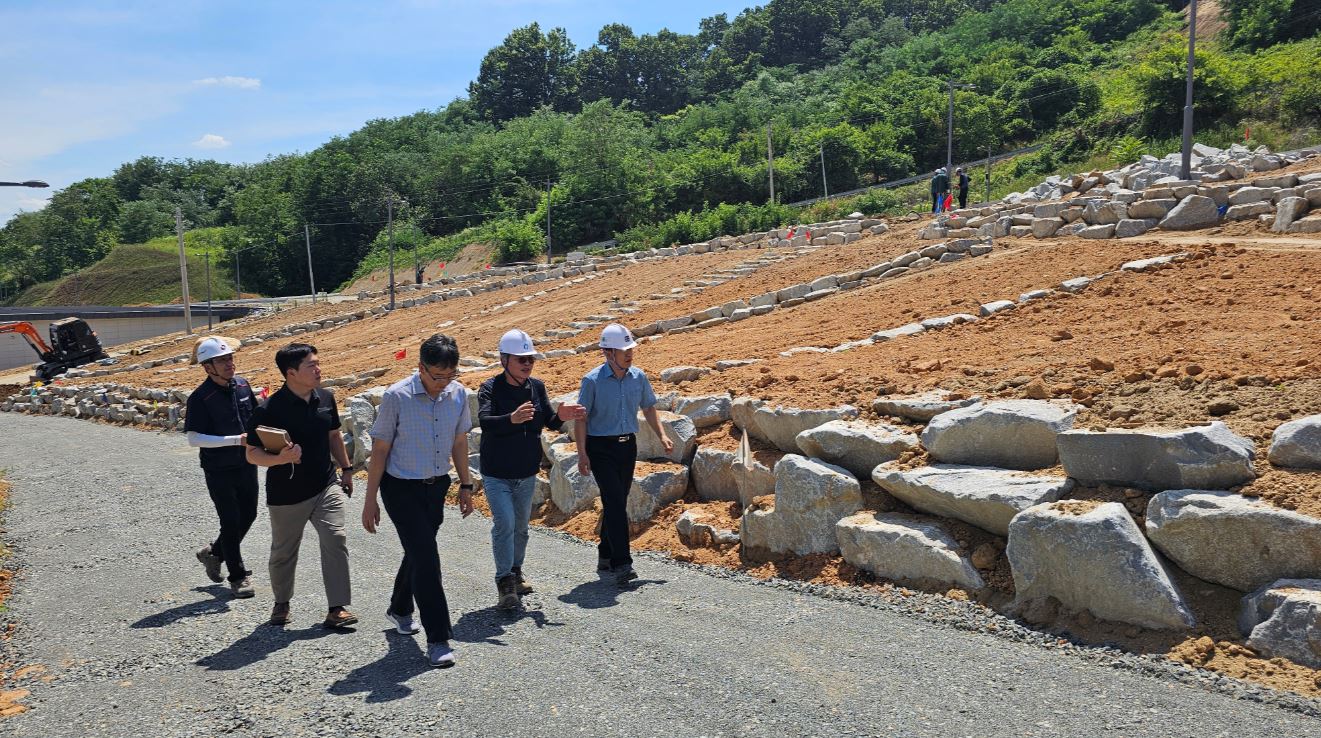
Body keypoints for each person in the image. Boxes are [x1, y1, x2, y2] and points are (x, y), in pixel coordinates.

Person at [361, 334, 475, 668]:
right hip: (400, 489)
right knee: (427, 558)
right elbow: (380, 450)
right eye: (437, 376)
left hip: (436, 487)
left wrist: (466, 484)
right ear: (420, 367)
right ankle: (438, 639)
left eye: (450, 375)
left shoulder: (457, 394)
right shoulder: (397, 396)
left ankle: (399, 608)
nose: (443, 383)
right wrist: (370, 500)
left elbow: (459, 442)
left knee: (418, 551)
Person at [245, 343, 357, 629]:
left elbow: (334, 435)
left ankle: (337, 608)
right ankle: (281, 602)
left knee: (335, 538)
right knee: (283, 552)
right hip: (287, 494)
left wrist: (346, 470)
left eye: (318, 363)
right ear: (291, 373)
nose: (319, 369)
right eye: (311, 365)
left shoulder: (326, 397)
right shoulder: (268, 409)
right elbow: (252, 454)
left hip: (325, 485)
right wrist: (280, 459)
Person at [477, 329, 585, 609]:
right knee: (505, 524)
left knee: (522, 528)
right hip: (497, 473)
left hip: (526, 472)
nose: (527, 364)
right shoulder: (489, 388)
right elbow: (485, 422)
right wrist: (511, 419)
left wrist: (561, 416)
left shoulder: (537, 387)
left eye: (530, 359)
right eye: (521, 359)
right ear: (504, 360)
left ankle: (515, 572)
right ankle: (504, 582)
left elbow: (549, 421)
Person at [573, 323, 672, 587]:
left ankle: (605, 553)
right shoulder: (591, 381)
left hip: (627, 447)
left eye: (630, 349)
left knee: (616, 500)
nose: (629, 354)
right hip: (600, 448)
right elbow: (581, 420)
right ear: (608, 352)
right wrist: (582, 454)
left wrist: (662, 435)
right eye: (623, 350)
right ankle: (622, 564)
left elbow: (649, 408)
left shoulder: (638, 377)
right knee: (616, 502)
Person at [185, 336, 258, 599]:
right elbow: (194, 438)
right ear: (208, 367)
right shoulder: (200, 398)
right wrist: (236, 440)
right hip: (218, 469)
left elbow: (256, 417)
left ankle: (214, 553)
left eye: (230, 358)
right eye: (222, 360)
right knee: (230, 520)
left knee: (249, 514)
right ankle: (238, 576)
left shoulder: (243, 385)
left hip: (247, 463)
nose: (229, 364)